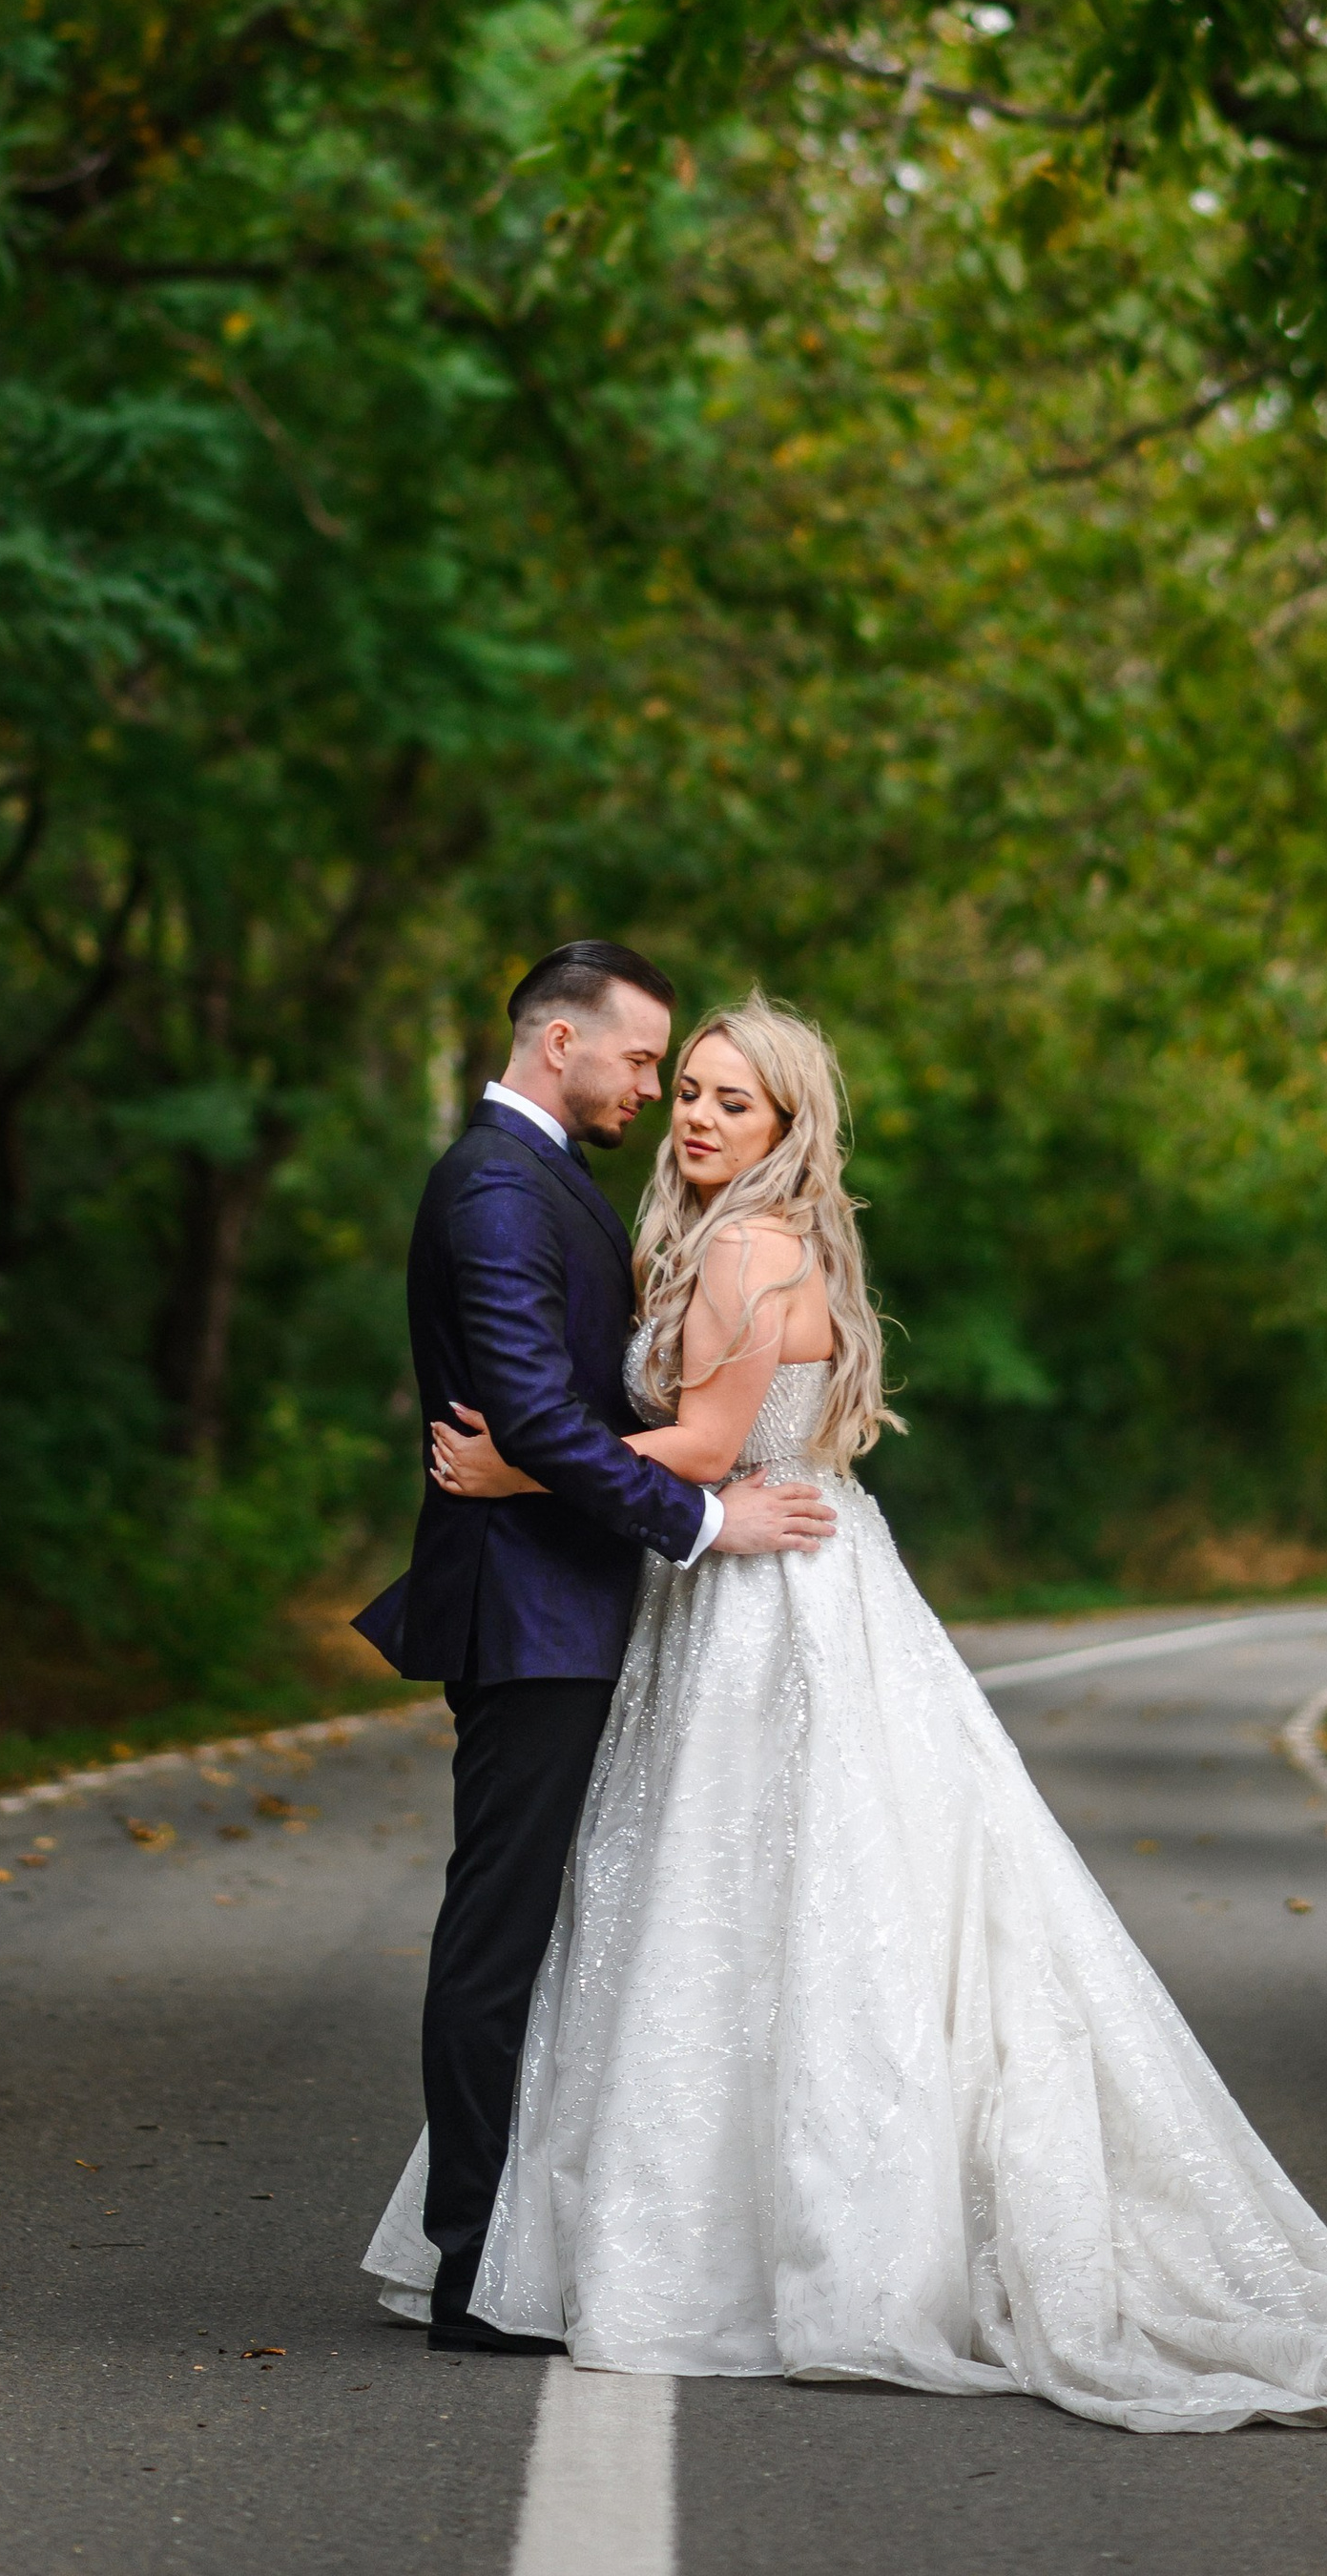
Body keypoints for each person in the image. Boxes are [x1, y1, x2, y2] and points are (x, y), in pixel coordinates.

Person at [363, 993, 1327, 2434]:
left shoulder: (753, 1250)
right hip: (757, 1584)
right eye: (691, 1089)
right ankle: (661, 2223)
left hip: (764, 1598)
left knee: (768, 1907)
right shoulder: (710, 1240)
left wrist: (517, 1473)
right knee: (745, 1912)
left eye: (732, 1099)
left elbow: (712, 1449)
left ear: (789, 1130)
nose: (698, 1113)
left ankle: (758, 2240)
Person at [350, 942, 837, 2355]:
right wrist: (700, 1520)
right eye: (647, 1065)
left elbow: (557, 1423)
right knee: (504, 1935)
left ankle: (519, 2245)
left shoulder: (562, 1178)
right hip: (531, 1609)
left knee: (574, 1931)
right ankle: (471, 2274)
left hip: (577, 1601)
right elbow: (531, 1421)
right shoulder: (501, 1185)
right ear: (560, 1044)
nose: (660, 1096)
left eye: (701, 1087)